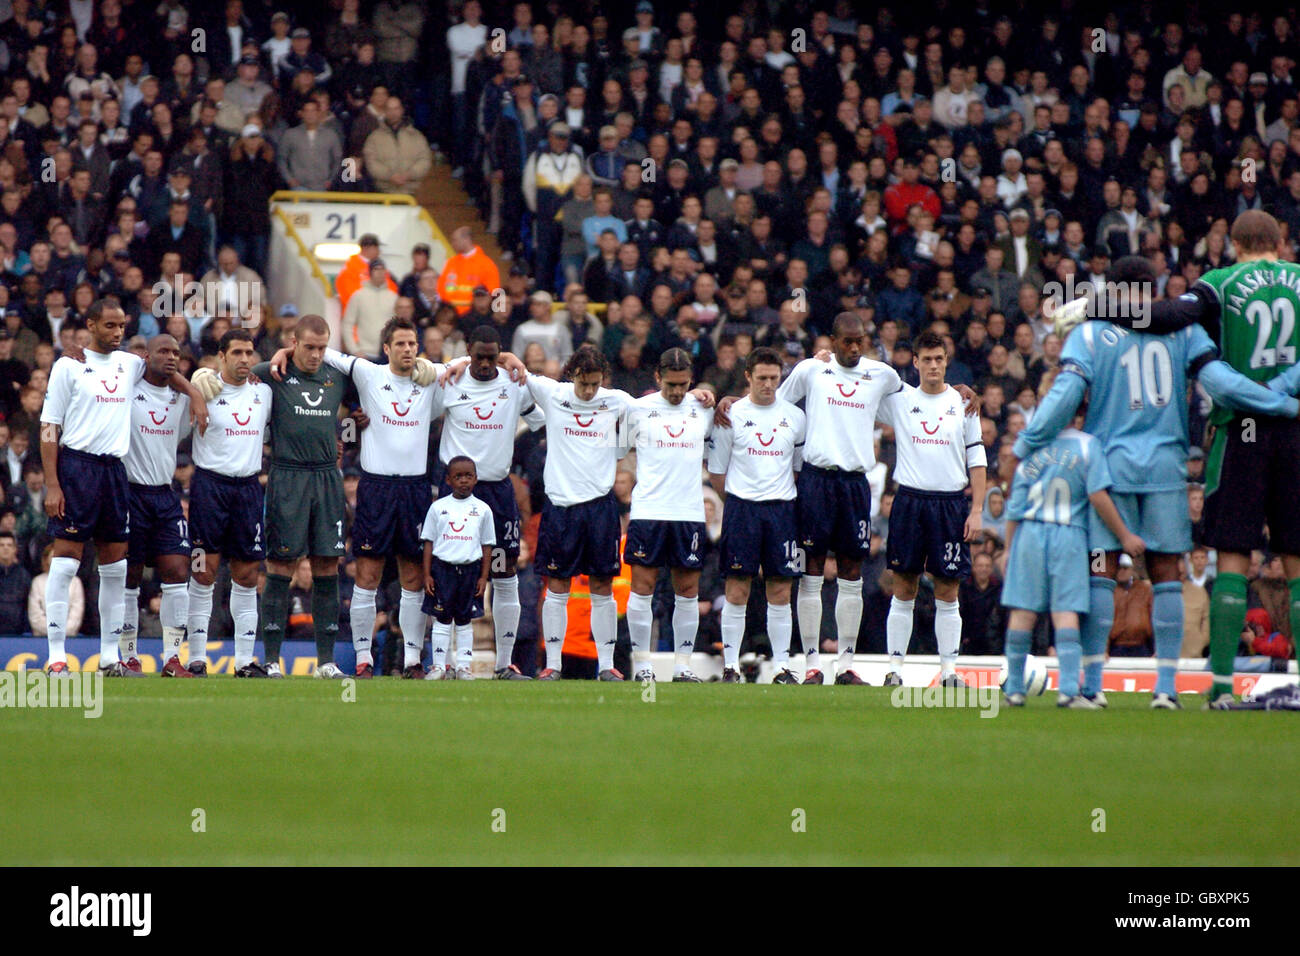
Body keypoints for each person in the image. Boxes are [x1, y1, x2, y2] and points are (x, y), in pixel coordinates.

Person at [1016, 254, 1300, 708]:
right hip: (1166, 469)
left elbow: (1066, 394)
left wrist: (1028, 441)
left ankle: (1091, 687)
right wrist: (1281, 403)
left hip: (1106, 472)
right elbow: (1222, 385)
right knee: (1168, 573)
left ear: (1113, 290)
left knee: (1100, 571)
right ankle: (1166, 690)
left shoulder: (1090, 333)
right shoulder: (1183, 332)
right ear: (1150, 290)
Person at [1106, 211, 1300, 706]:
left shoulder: (1221, 280)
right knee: (1297, 559)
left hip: (1242, 430)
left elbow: (1172, 316)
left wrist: (1105, 309)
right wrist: (1284, 387)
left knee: (1233, 554)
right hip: (1295, 431)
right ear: (1280, 242)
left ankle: (1219, 689)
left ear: (1235, 243)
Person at [39, 300, 204, 676]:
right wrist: (53, 484)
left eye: (122, 327)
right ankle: (56, 657)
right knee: (65, 562)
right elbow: (49, 429)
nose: (117, 333)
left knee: (115, 568)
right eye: (110, 326)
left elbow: (164, 368)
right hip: (77, 468)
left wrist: (193, 392)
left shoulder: (129, 363)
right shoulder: (69, 366)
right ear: (91, 324)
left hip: (115, 473)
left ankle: (110, 658)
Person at [526, 345, 704, 679]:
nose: (589, 391)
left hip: (600, 506)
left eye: (595, 384)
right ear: (571, 377)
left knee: (603, 585)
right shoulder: (553, 393)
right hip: (560, 506)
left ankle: (607, 665)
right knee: (558, 585)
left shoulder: (619, 401)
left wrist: (713, 397)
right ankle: (552, 664)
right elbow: (514, 369)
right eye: (584, 384)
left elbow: (659, 409)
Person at [254, 314, 408, 678]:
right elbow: (239, 370)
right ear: (294, 342)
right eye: (308, 347)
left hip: (326, 478)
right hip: (287, 475)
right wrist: (276, 354)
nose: (315, 354)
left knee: (328, 565)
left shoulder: (337, 375)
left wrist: (355, 422)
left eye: (322, 348)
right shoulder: (272, 373)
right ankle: (272, 661)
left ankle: (325, 662)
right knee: (280, 566)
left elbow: (367, 403)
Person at [1001, 415, 1145, 706]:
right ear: (1079, 416)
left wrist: (1008, 549)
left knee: (1023, 612)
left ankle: (1014, 689)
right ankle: (1068, 691)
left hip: (1029, 532)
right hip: (1068, 533)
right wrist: (1125, 535)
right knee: (1065, 612)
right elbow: (1097, 495)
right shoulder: (1088, 445)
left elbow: (1015, 504)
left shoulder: (1031, 443)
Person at [878, 330, 987, 687]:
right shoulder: (900, 400)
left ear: (947, 361)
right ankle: (895, 670)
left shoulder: (963, 404)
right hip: (910, 500)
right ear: (916, 363)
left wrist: (977, 509)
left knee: (948, 590)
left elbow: (977, 457)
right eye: (927, 359)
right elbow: (857, 391)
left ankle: (950, 673)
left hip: (951, 504)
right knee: (904, 586)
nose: (934, 366)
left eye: (939, 359)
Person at [437, 325, 539, 678]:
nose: (483, 363)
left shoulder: (514, 382)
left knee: (505, 574)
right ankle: (447, 663)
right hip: (456, 496)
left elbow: (539, 417)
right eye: (476, 355)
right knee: (451, 574)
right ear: (467, 350)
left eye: (490, 356)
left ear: (500, 353)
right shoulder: (450, 380)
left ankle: (503, 664)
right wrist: (459, 361)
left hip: (497, 493)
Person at [707, 347, 807, 683]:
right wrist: (741, 498)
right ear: (748, 376)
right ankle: (731, 667)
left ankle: (781, 667)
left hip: (781, 510)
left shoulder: (795, 416)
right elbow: (717, 472)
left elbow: (796, 469)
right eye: (761, 378)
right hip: (741, 509)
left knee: (780, 590)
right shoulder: (730, 414)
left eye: (774, 378)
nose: (768, 384)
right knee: (737, 589)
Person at [623, 347, 714, 682]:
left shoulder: (702, 408)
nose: (677, 392)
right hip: (649, 510)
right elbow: (619, 449)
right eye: (671, 384)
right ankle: (643, 666)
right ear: (657, 377)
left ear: (691, 381)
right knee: (642, 588)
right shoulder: (637, 409)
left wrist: (715, 396)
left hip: (688, 512)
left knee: (688, 590)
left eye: (683, 384)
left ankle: (682, 667)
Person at [186, 329, 273, 676]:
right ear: (220, 356)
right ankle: (195, 658)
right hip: (209, 486)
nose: (244, 359)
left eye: (249, 353)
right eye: (236, 352)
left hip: (249, 488)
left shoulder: (263, 392)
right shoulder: (202, 390)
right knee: (202, 571)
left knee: (248, 574)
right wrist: (197, 377)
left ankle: (244, 661)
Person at [121, 334, 193, 676]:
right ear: (146, 356)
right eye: (163, 351)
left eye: (176, 353)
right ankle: (128, 654)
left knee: (179, 571)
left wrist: (193, 391)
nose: (171, 357)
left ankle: (172, 658)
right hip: (130, 493)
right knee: (129, 576)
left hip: (165, 495)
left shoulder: (181, 399)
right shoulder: (127, 389)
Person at [419, 456, 495, 680]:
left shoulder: (482, 510)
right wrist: (427, 574)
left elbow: (487, 545)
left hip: (470, 570)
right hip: (443, 570)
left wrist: (483, 577)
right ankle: (439, 666)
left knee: (464, 619)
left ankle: (463, 666)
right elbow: (428, 543)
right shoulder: (438, 507)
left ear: (476, 479)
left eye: (468, 476)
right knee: (441, 619)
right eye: (458, 476)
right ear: (448, 480)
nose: (464, 481)